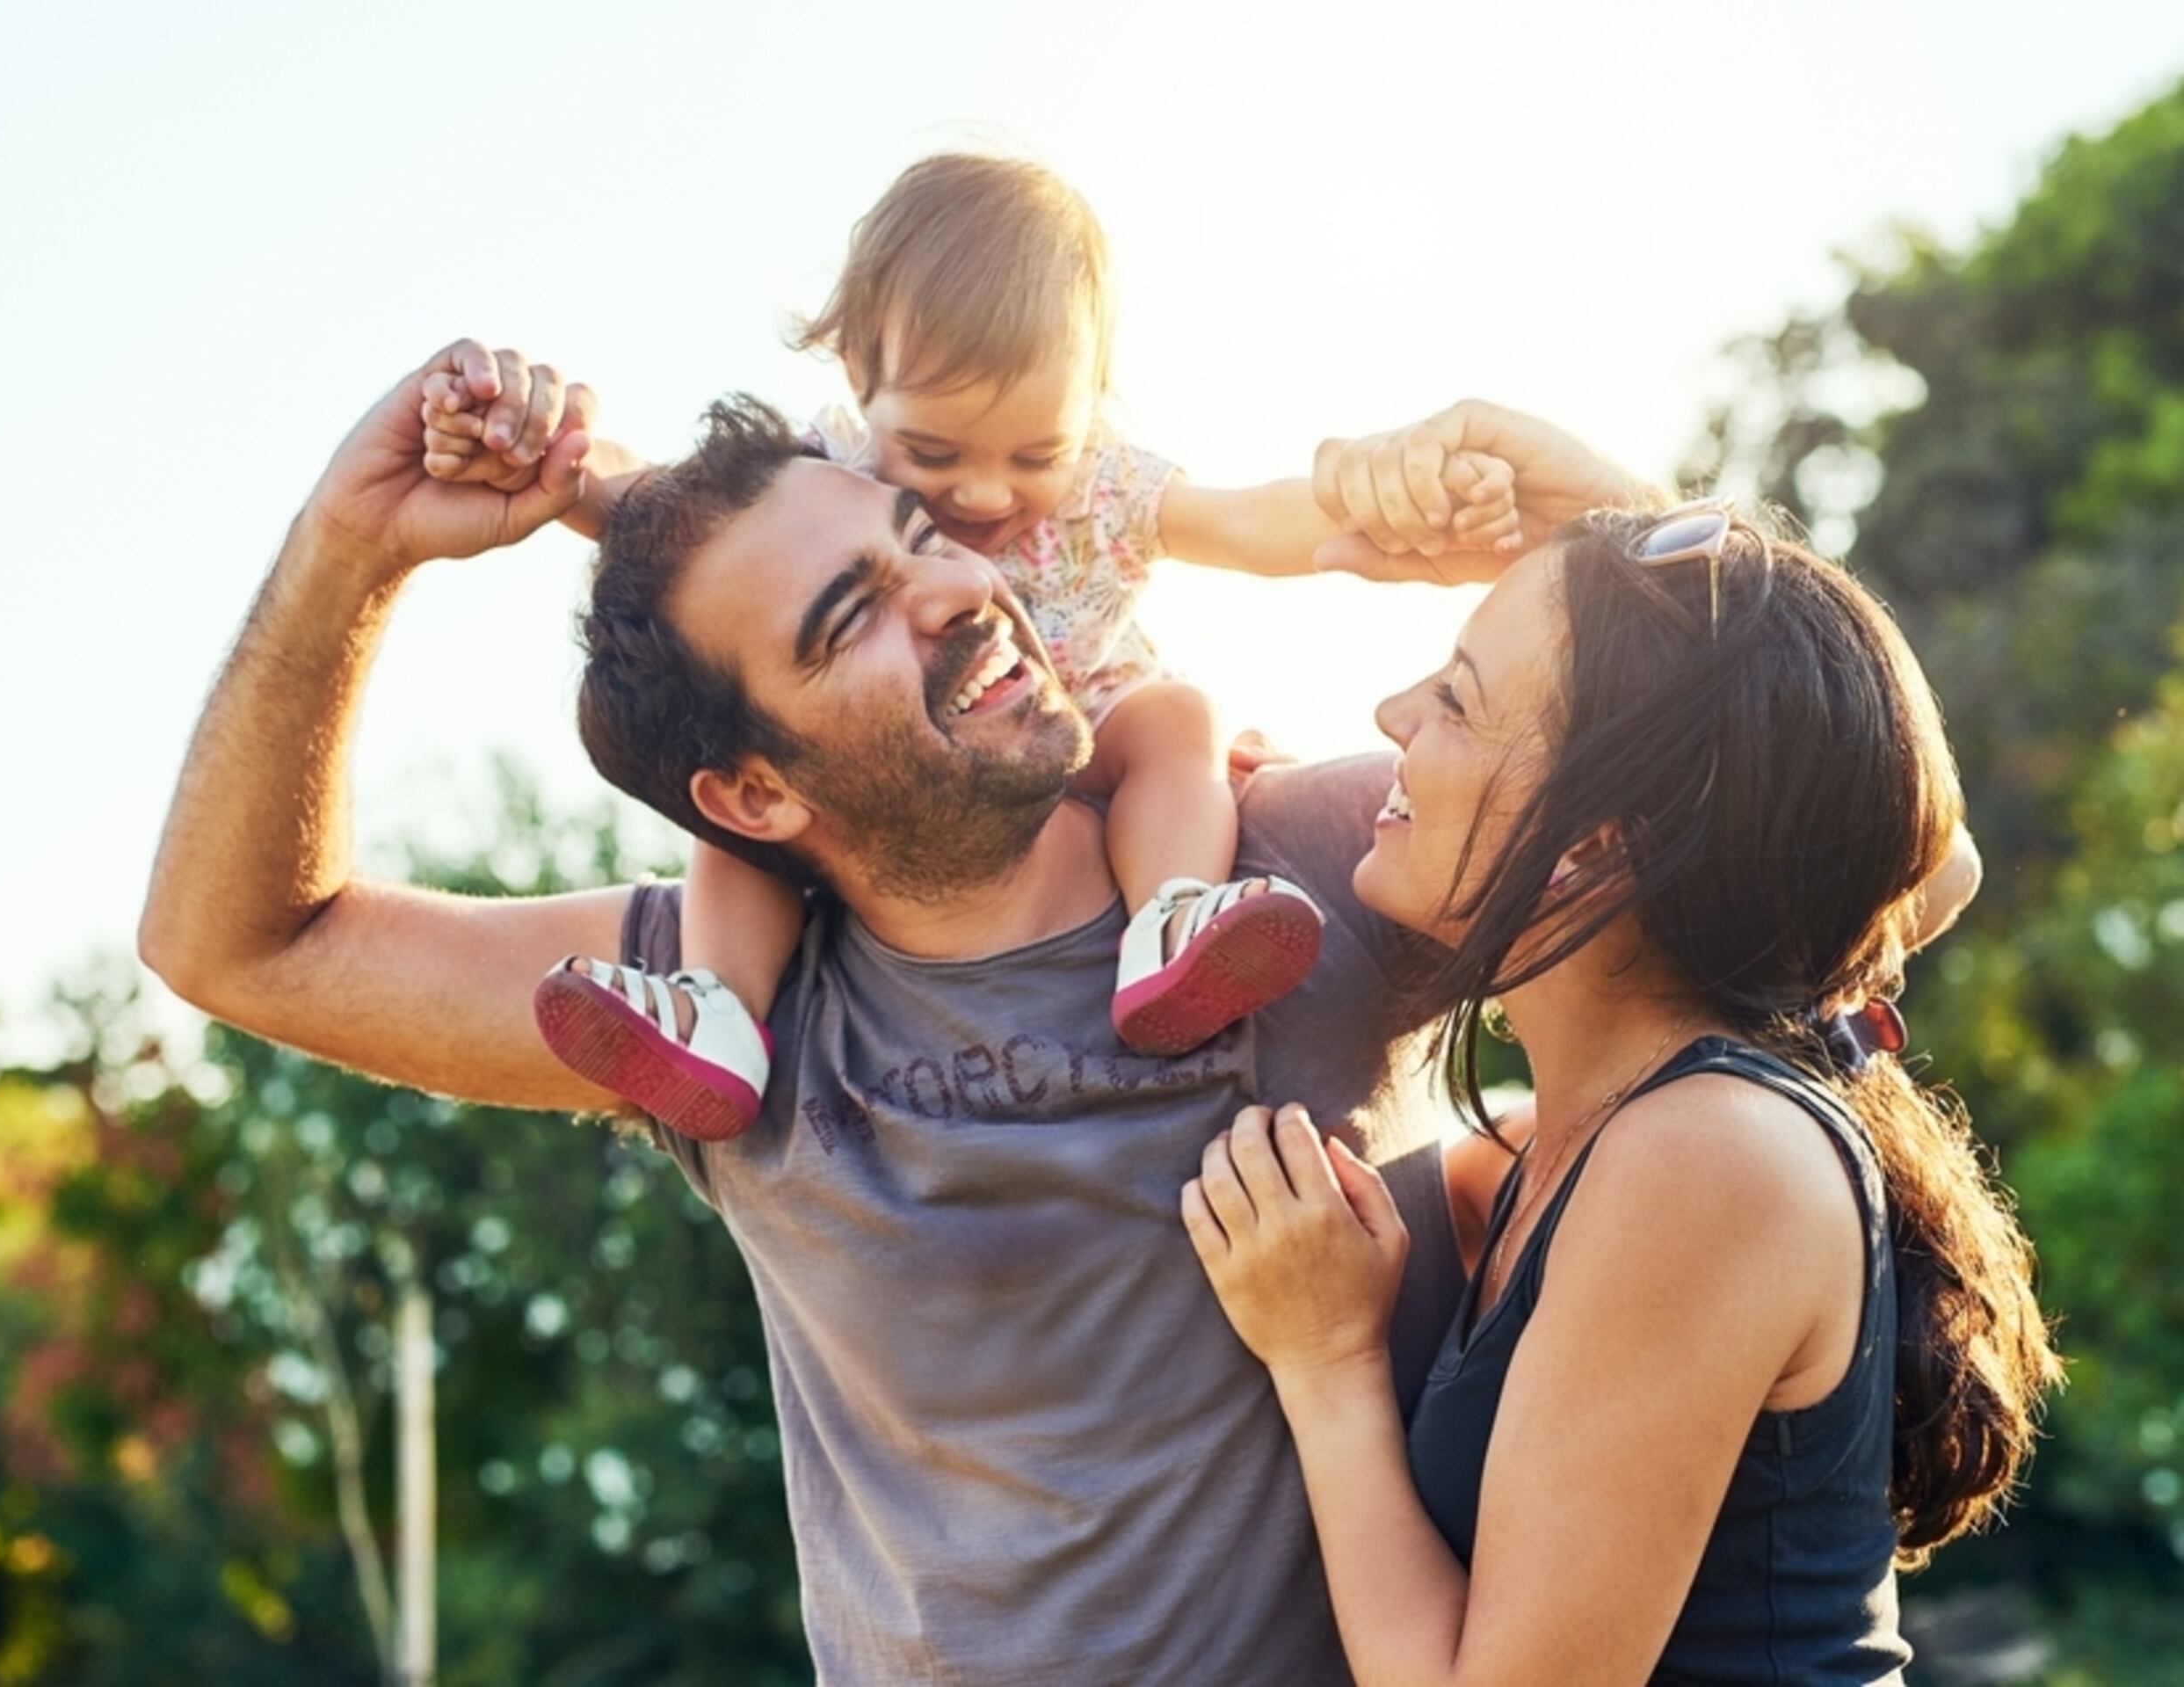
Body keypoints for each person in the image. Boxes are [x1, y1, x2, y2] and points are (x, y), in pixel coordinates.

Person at [141, 339, 1597, 1683]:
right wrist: (352, 548)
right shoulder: (717, 1015)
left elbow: (1771, 806)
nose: (962, 589)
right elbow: (240, 943)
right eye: (854, 620)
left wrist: (1593, 504)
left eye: (926, 540)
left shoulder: (1322, 866)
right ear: (755, 795)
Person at [417, 154, 1522, 1138]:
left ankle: (1173, 918)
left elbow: (1247, 520)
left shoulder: (1104, 486)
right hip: (912, 765)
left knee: (1176, 718)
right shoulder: (826, 479)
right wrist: (532, 445)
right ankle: (717, 1011)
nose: (986, 493)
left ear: (1091, 405)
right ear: (858, 372)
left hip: (1079, 730)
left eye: (1036, 450)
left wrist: (1380, 509)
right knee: (755, 814)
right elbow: (645, 497)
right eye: (934, 450)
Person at [1181, 468, 2060, 1683]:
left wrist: (1327, 1364)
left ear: (1592, 844)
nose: (1392, 711)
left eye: (1457, 698)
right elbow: (1881, 834)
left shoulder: (1709, 1158)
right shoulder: (1564, 1148)